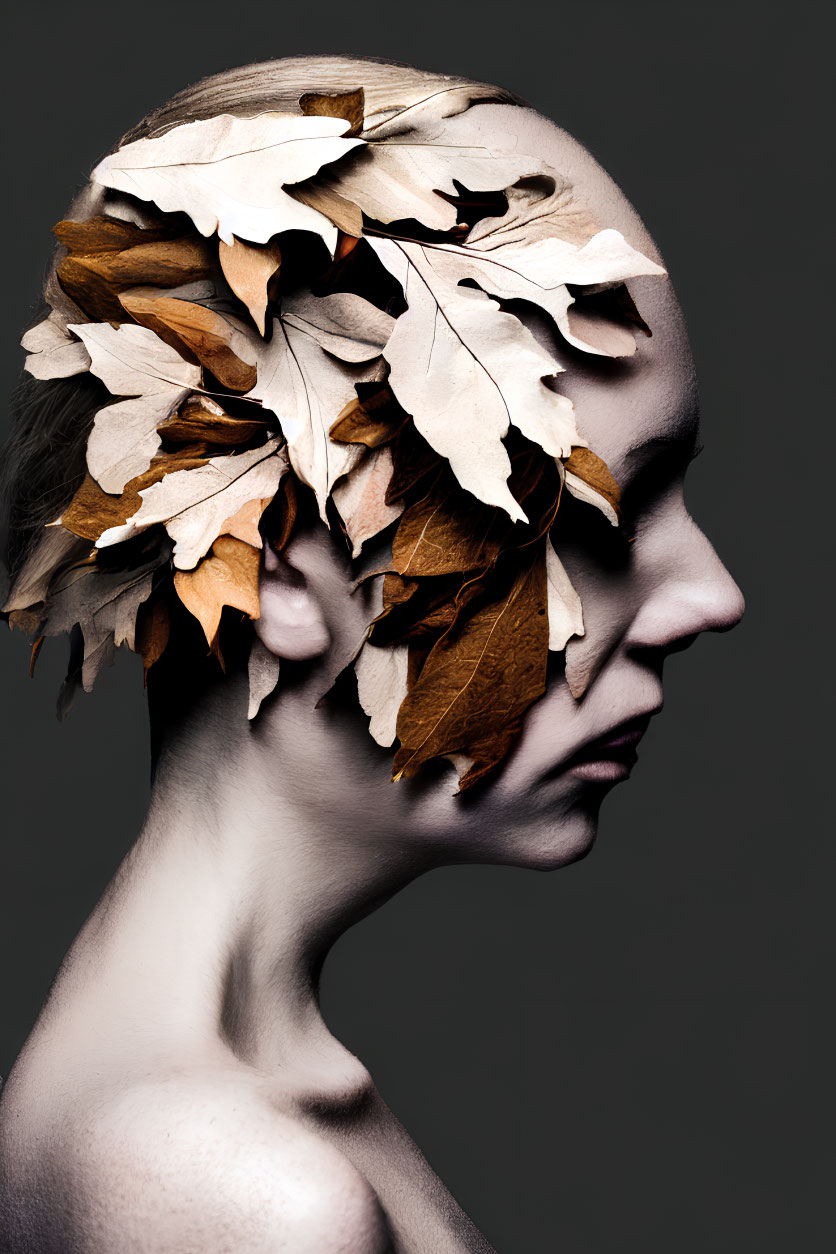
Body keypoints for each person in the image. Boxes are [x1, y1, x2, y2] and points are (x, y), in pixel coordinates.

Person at [0, 55, 743, 1253]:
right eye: (595, 520)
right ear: (287, 561)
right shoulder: (229, 1188)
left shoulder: (247, 1100)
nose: (708, 594)